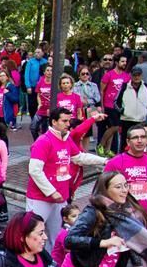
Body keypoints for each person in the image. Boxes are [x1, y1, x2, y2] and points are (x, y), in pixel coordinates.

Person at [26, 108, 107, 252]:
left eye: (69, 120)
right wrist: (51, 191)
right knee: (33, 234)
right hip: (40, 198)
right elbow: (34, 170)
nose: (68, 124)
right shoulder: (43, 141)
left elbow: (79, 158)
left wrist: (104, 161)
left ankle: (50, 266)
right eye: (64, 121)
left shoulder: (67, 139)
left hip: (60, 198)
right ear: (54, 122)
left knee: (56, 236)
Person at [104, 124, 147, 220]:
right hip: (124, 219)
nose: (140, 141)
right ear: (128, 141)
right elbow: (103, 191)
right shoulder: (115, 162)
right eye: (135, 138)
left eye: (143, 137)